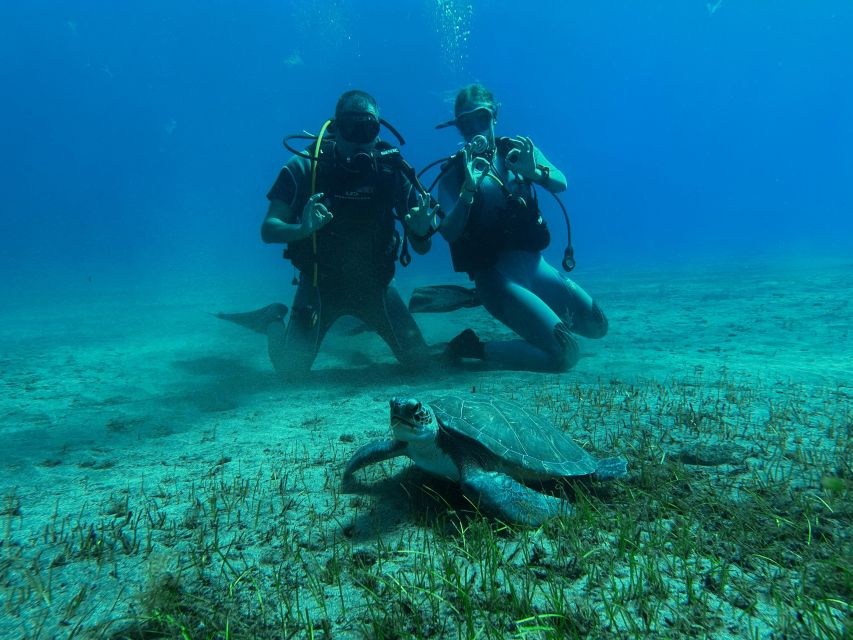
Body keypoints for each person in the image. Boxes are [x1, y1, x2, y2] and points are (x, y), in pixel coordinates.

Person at [254, 89, 439, 379]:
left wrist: (419, 233)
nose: (360, 139)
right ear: (336, 128)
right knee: (291, 372)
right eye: (351, 128)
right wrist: (302, 229)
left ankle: (358, 323)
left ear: (379, 131)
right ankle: (272, 319)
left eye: (369, 129)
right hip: (318, 285)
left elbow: (423, 247)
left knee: (420, 362)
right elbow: (268, 229)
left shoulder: (392, 171)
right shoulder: (305, 166)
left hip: (376, 286)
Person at [433, 83, 608, 372]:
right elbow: (449, 232)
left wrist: (533, 172)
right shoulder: (453, 175)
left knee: (597, 326)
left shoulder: (518, 152)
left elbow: (561, 182)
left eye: (482, 118)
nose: (475, 128)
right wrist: (467, 192)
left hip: (536, 267)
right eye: (466, 123)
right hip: (496, 280)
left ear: (496, 115)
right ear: (458, 127)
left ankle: (530, 319)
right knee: (564, 354)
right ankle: (471, 347)